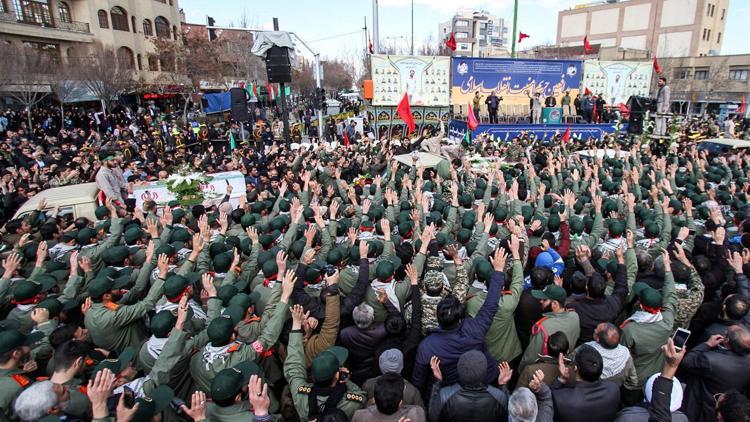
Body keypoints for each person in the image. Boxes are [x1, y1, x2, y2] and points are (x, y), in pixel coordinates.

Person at [681, 324, 750, 422]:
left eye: (725, 334)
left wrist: (707, 344)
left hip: (700, 405)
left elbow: (687, 361)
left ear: (726, 340)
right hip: (725, 409)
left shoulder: (711, 360)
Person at [428, 350, 511, 422]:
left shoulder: (444, 395)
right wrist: (503, 385)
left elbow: (433, 417)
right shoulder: (499, 397)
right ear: (484, 373)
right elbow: (508, 417)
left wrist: (437, 382)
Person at [550, 345, 621, 422]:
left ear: (575, 368)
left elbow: (547, 399)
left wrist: (561, 379)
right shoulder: (614, 389)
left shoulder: (561, 399)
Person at [352, 372, 426, 422]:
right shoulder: (416, 414)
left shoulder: (360, 416)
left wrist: (368, 403)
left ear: (375, 399)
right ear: (400, 403)